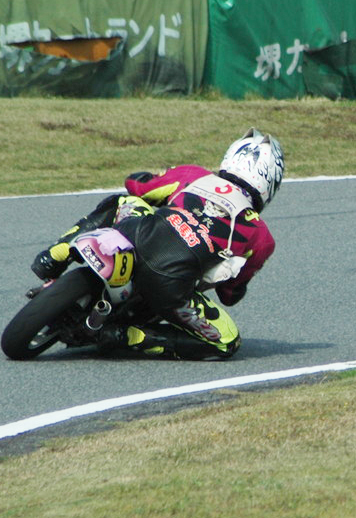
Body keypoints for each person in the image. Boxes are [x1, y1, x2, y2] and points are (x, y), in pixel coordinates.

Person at [30, 129, 284, 360]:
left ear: (230, 157)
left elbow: (137, 186)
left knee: (122, 201)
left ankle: (55, 255)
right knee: (227, 342)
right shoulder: (261, 235)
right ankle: (127, 337)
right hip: (170, 286)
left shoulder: (194, 175)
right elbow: (229, 294)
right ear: (270, 183)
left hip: (134, 238)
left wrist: (154, 182)